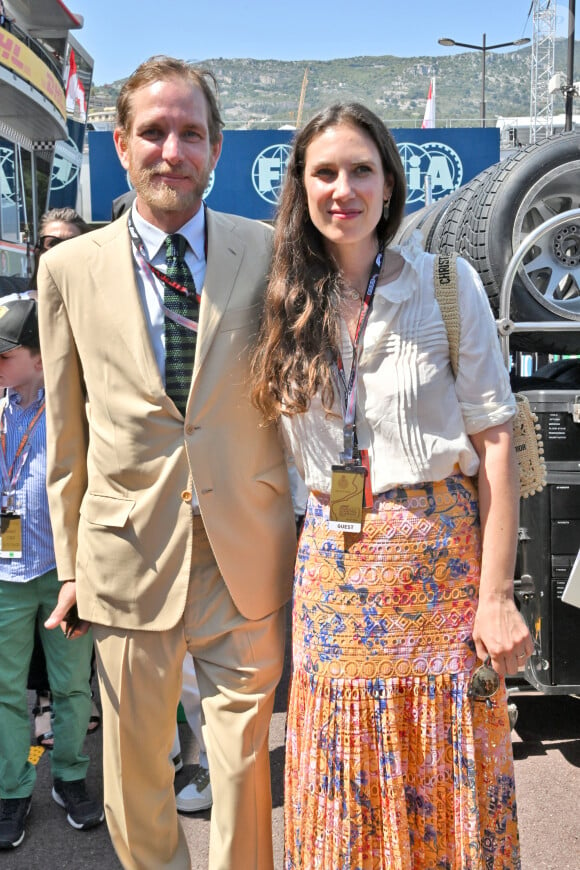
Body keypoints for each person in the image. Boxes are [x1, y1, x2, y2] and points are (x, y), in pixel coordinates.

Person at [251, 102, 534, 869]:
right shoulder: (277, 296)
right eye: (325, 172)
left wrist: (497, 594)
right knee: (346, 788)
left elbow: (497, 440)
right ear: (301, 188)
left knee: (446, 773)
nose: (344, 188)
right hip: (335, 576)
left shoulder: (445, 282)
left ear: (388, 182)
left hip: (440, 574)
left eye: (361, 170)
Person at [37, 55, 296, 870]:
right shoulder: (66, 270)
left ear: (217, 148)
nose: (171, 150)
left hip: (241, 555)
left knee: (246, 768)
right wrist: (72, 567)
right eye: (154, 132)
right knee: (135, 774)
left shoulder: (271, 252)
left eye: (191, 133)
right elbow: (65, 436)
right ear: (121, 143)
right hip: (126, 558)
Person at [0, 300, 103, 851]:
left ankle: (68, 777)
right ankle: (12, 788)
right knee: (5, 689)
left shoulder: (75, 411)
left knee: (70, 686)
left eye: (6, 355)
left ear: (40, 359)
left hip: (65, 574)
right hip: (5, 575)